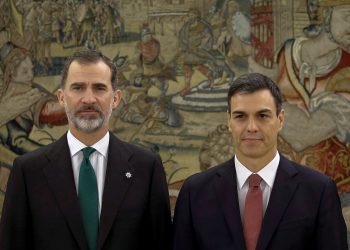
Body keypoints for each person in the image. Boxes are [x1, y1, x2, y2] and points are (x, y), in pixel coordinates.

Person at [0, 50, 172, 250]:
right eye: (78, 88)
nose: (88, 99)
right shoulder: (28, 171)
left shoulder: (146, 168)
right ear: (61, 98)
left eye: (99, 88)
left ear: (115, 99)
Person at [172, 73, 347, 250]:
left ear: (280, 119)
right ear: (229, 121)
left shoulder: (318, 191)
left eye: (262, 116)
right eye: (240, 116)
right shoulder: (195, 192)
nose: (251, 127)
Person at [276, 0, 350, 193]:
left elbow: (304, 136)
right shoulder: (288, 52)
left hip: (332, 187)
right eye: (348, 17)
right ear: (324, 15)